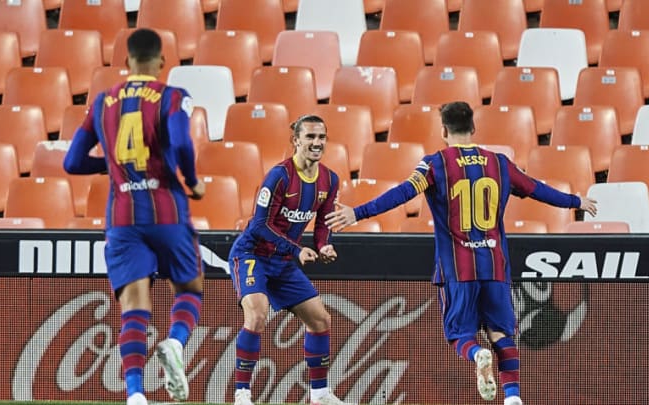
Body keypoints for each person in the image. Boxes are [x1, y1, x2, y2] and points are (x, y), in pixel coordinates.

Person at [325, 102, 598, 405]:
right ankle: (512, 398)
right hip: (494, 265)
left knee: (460, 336)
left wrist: (358, 213)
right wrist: (575, 201)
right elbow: (536, 189)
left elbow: (402, 193)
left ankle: (477, 354)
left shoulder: (434, 164)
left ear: (443, 131)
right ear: (473, 128)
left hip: (458, 268)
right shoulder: (500, 163)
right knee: (501, 333)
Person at [63, 28, 206, 405]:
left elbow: (72, 161)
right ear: (162, 62)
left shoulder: (101, 102)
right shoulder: (172, 96)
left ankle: (135, 394)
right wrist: (191, 180)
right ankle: (175, 343)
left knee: (134, 307)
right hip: (167, 210)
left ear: (126, 63)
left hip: (122, 216)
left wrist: (111, 167)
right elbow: (179, 143)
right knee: (189, 288)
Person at [228, 115, 353, 405]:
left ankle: (319, 394)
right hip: (252, 254)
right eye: (310, 137)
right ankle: (242, 394)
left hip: (283, 261)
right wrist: (297, 250)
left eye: (321, 137)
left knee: (320, 319)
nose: (317, 143)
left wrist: (324, 246)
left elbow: (323, 223)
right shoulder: (280, 176)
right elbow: (259, 224)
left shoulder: (329, 179)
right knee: (257, 314)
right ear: (296, 140)